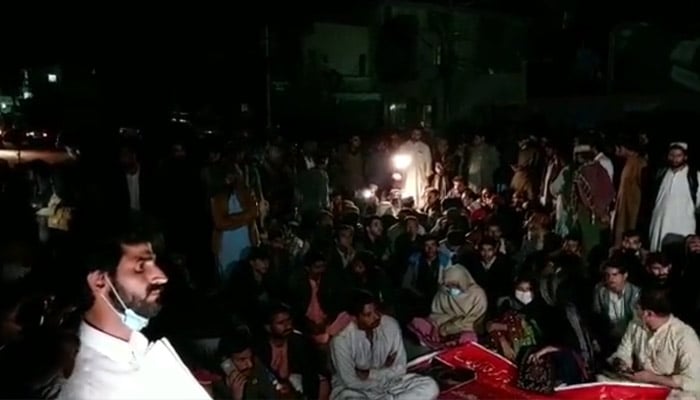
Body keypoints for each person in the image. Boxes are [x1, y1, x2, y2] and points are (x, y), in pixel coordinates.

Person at [59, 227, 211, 399]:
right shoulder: (93, 389)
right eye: (141, 266)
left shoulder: (135, 345)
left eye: (153, 264)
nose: (161, 276)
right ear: (100, 281)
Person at [329, 290, 439, 400]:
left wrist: (370, 374)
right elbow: (351, 381)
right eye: (368, 315)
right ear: (354, 318)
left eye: (376, 311)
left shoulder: (390, 325)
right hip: (357, 391)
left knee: (430, 386)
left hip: (390, 385)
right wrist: (385, 375)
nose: (376, 317)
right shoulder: (341, 339)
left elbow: (400, 368)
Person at [604, 288, 700, 397]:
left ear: (648, 313)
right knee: (602, 381)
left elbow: (694, 381)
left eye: (638, 308)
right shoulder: (636, 324)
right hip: (639, 383)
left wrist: (653, 378)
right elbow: (623, 351)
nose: (636, 311)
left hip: (670, 391)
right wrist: (622, 364)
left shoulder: (684, 336)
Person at [408, 265, 486, 350]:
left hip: (464, 328)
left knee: (468, 337)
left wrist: (447, 329)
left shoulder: (478, 295)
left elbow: (473, 321)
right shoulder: (444, 291)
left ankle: (447, 346)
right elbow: (435, 314)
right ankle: (438, 345)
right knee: (418, 322)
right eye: (448, 285)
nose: (451, 288)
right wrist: (436, 328)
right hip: (440, 325)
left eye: (454, 285)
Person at [649, 142, 700, 252]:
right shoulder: (661, 174)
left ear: (685, 157)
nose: (674, 159)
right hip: (659, 225)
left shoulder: (695, 176)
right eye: (671, 155)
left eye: (678, 155)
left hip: (682, 227)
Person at [398, 129, 432, 208]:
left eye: (418, 134)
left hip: (420, 177)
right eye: (415, 133)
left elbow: (428, 162)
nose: (416, 135)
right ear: (411, 134)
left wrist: (427, 177)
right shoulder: (403, 147)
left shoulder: (425, 147)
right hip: (407, 176)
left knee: (419, 195)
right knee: (406, 193)